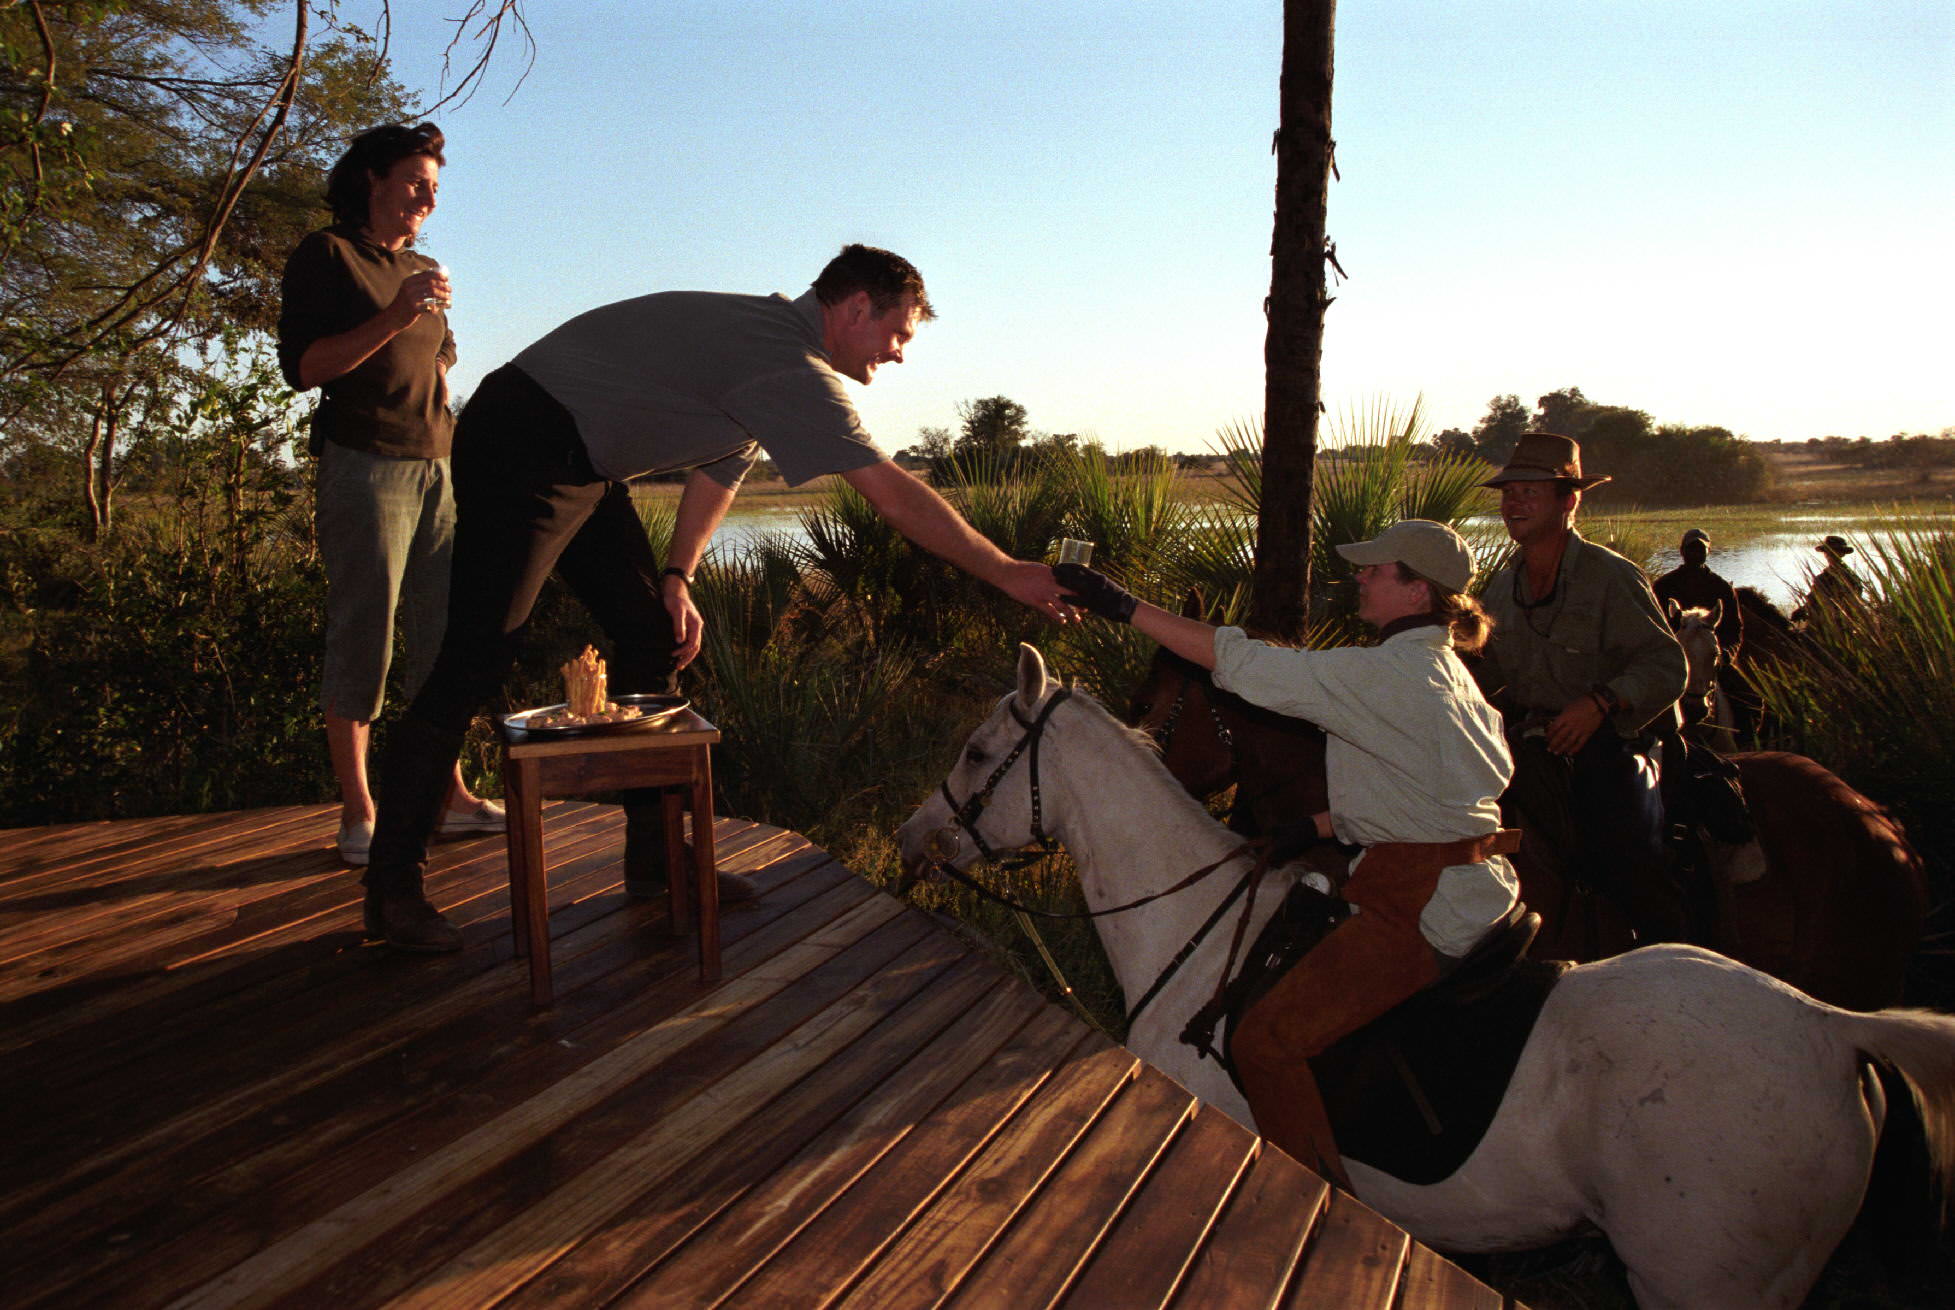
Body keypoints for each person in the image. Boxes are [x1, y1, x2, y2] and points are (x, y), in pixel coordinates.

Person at [361, 244, 1079, 951]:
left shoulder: (762, 353)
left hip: (584, 458)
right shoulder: (784, 363)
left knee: (652, 636)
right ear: (856, 307)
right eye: (897, 334)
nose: (898, 355)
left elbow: (720, 473)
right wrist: (1006, 569)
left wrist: (678, 576)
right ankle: (392, 887)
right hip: (521, 435)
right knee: (480, 656)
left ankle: (655, 864)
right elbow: (890, 493)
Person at [1056, 520, 1520, 1189]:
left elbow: (1244, 664)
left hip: (1415, 906)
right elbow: (1431, 795)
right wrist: (1316, 827)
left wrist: (1119, 604)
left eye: (1375, 569)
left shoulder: (1386, 674)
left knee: (1262, 1043)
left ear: (1416, 591)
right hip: (1474, 881)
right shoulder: (1449, 674)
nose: (1358, 577)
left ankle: (1314, 1207)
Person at [276, 122, 503, 868]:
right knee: (364, 635)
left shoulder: (426, 269)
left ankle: (450, 794)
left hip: (437, 469)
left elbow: (438, 369)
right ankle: (359, 808)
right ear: (372, 178)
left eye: (435, 187)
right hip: (364, 464)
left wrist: (456, 445)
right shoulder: (329, 255)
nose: (427, 196)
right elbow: (308, 367)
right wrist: (397, 313)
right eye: (414, 180)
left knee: (443, 643)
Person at [1471, 432, 1688, 943]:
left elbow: (1667, 664)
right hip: (1525, 742)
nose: (1513, 502)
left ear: (1569, 501)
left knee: (1626, 854)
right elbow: (1486, 673)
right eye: (1508, 492)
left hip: (1606, 743)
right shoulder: (1502, 584)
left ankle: (1672, 952)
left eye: (1530, 491)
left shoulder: (1611, 576)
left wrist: (1600, 703)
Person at [1652, 529, 1742, 660]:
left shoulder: (1722, 588)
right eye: (1692, 549)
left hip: (1711, 658)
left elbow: (1733, 629)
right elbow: (1653, 626)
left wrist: (1727, 654)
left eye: (1701, 549)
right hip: (1673, 657)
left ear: (1708, 552)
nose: (1696, 553)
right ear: (1682, 551)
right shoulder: (1663, 585)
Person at [1791, 534, 1865, 624]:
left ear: (1842, 554)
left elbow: (1854, 603)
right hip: (1823, 621)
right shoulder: (1821, 578)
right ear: (1825, 554)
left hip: (1842, 623)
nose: (1830, 555)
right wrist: (1802, 610)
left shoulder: (1850, 577)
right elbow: (1813, 598)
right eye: (1827, 552)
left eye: (1835, 551)